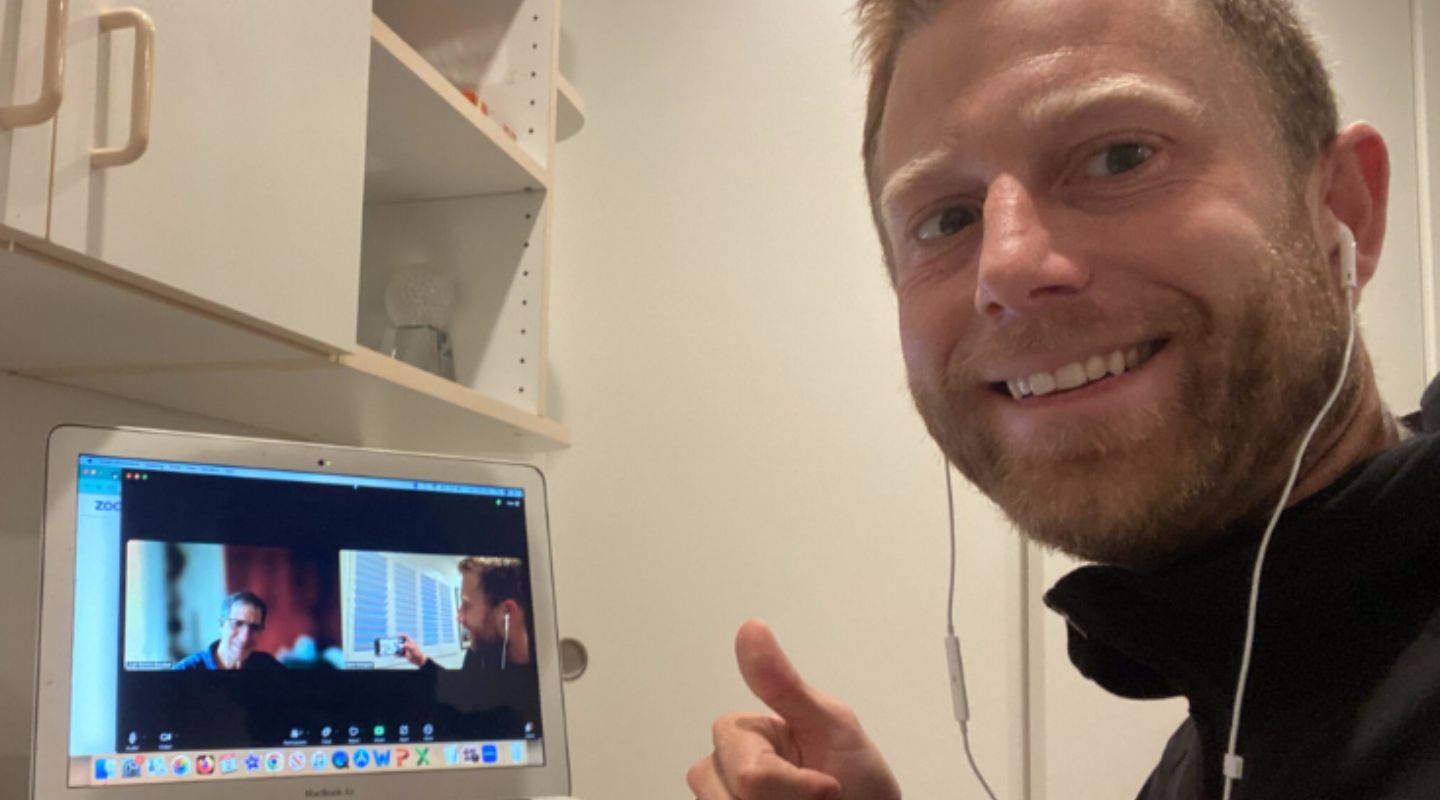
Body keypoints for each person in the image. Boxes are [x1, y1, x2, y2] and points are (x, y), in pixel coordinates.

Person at [689, 1, 1440, 798]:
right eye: (946, 219)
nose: (1006, 267)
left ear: (1345, 209)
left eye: (1119, 157)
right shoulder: (1219, 735)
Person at [400, 557, 540, 736]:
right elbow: (460, 690)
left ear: (507, 612)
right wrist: (422, 661)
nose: (459, 617)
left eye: (466, 605)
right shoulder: (479, 655)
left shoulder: (541, 688)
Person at [173, 591, 283, 671]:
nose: (245, 638)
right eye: (238, 624)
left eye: (254, 628)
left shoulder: (269, 668)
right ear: (221, 625)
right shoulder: (185, 671)